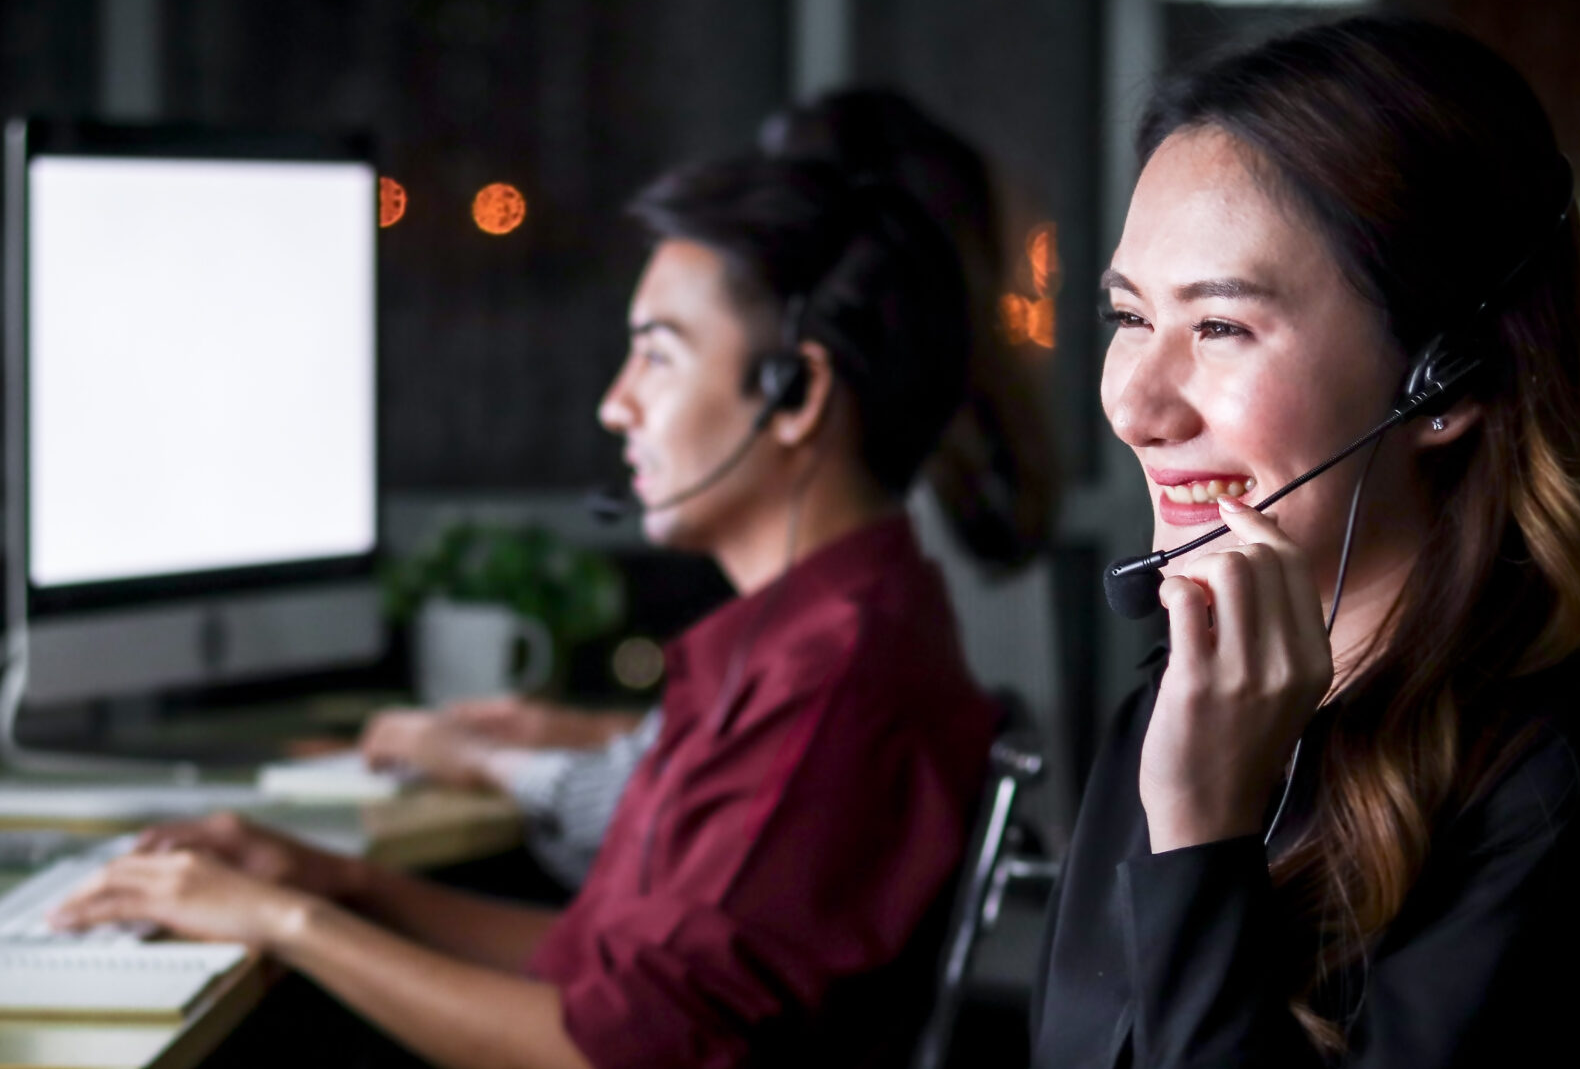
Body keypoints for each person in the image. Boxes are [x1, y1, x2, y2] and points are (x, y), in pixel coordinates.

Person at [334, 17, 1580, 1069]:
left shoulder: (1559, 809)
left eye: (1225, 325)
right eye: (1130, 317)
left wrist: (1199, 847)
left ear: (1443, 380)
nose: (1136, 398)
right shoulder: (1175, 721)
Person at [56, 153, 1008, 1069]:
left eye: (658, 355)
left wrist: (289, 923)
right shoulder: (802, 638)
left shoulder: (834, 684)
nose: (616, 405)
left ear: (793, 392)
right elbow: (596, 968)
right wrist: (339, 882)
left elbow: (619, 1066)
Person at [358, 87, 1057, 888]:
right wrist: (561, 730)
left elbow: (781, 785)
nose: (616, 406)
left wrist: (492, 765)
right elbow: (756, 766)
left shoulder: (877, 548)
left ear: (796, 382)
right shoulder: (952, 479)